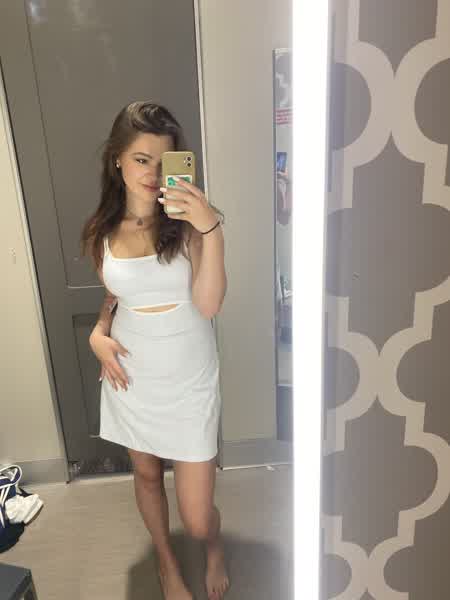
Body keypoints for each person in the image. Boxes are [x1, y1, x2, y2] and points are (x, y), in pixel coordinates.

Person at [80, 101, 229, 600]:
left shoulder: (190, 224)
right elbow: (116, 295)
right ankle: (167, 566)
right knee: (145, 476)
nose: (152, 173)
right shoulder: (100, 231)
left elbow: (208, 305)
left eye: (163, 162)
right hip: (132, 371)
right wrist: (98, 332)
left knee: (197, 515)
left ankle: (211, 544)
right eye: (141, 159)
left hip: (188, 374)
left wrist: (211, 229)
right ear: (117, 161)